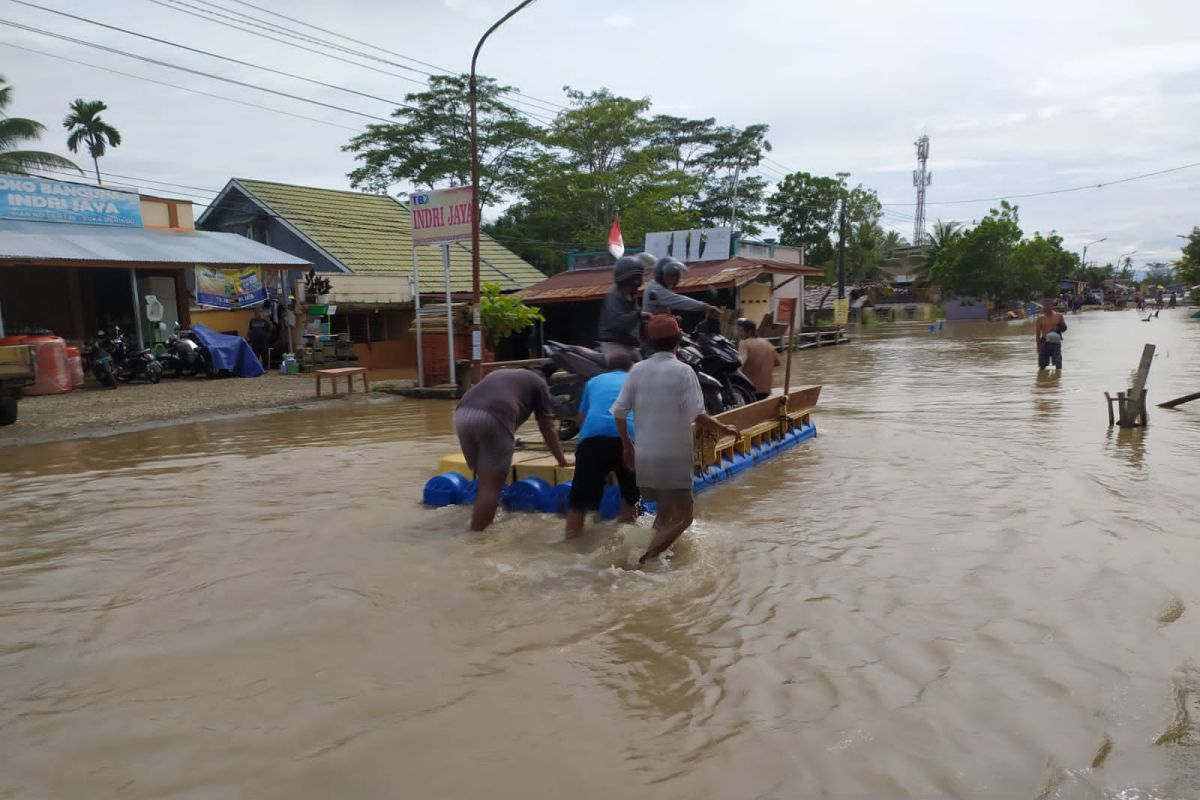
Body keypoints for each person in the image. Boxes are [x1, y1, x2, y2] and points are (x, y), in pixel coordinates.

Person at [611, 315, 740, 565]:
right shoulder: (683, 371)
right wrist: (724, 428)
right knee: (685, 518)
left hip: (645, 455)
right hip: (674, 456)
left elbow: (618, 411)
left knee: (663, 514)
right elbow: (698, 415)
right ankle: (644, 560)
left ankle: (658, 552)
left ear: (648, 341)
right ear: (679, 339)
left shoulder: (637, 370)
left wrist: (627, 446)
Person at [454, 368, 568, 531]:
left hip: (462, 415)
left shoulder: (500, 375)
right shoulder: (540, 384)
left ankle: (482, 516)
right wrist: (562, 460)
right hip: (493, 414)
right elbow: (547, 427)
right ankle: (476, 538)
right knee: (491, 487)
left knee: (483, 478)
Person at [564, 351, 638, 538]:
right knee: (631, 499)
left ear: (606, 369)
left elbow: (581, 419)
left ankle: (571, 546)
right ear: (631, 368)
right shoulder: (637, 381)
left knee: (578, 503)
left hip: (592, 440)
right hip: (628, 440)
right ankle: (622, 546)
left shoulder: (593, 381)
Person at [597, 255, 651, 365]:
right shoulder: (614, 297)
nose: (641, 281)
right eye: (639, 277)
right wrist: (638, 315)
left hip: (628, 345)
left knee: (643, 369)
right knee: (626, 373)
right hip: (614, 344)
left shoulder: (629, 296)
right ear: (634, 278)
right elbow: (618, 322)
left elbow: (635, 321)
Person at [642, 257, 719, 318]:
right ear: (660, 274)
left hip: (658, 328)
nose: (672, 278)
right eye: (668, 274)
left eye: (675, 275)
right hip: (653, 332)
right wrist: (706, 307)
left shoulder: (662, 288)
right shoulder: (655, 289)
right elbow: (680, 301)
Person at [736, 318, 780, 400]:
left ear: (749, 332)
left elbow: (741, 363)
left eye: (741, 331)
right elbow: (777, 362)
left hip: (750, 389)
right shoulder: (767, 343)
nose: (739, 334)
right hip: (766, 390)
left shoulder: (744, 343)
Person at [1035, 301, 1066, 371]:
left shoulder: (1059, 316)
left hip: (1056, 342)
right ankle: (1042, 379)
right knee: (1042, 365)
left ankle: (1056, 380)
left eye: (1048, 305)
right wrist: (1038, 346)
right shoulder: (1040, 319)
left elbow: (1064, 328)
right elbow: (1037, 333)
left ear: (1052, 306)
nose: (1046, 307)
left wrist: (1057, 328)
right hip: (1044, 341)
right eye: (1045, 306)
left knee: (1058, 363)